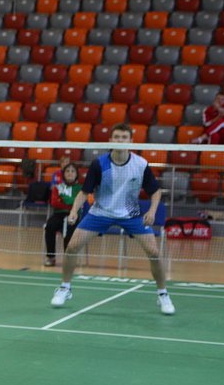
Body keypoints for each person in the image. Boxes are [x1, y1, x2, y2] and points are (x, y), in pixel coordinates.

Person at [51, 123, 175, 315]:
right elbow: (85, 192)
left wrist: (151, 211)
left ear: (131, 141)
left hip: (131, 214)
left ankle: (163, 294)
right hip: (100, 212)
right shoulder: (99, 164)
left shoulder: (140, 164)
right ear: (110, 140)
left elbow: (155, 191)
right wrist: (74, 210)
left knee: (154, 252)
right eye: (116, 137)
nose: (120, 140)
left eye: (124, 137)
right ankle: (65, 288)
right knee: (72, 247)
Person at [44, 162, 81, 267]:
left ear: (76, 174)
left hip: (73, 215)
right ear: (63, 174)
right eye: (67, 171)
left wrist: (63, 199)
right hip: (58, 214)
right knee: (50, 226)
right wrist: (70, 201)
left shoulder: (80, 189)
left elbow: (77, 202)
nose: (70, 173)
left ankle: (68, 259)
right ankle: (51, 257)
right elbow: (54, 203)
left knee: (70, 230)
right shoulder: (58, 187)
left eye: (72, 171)